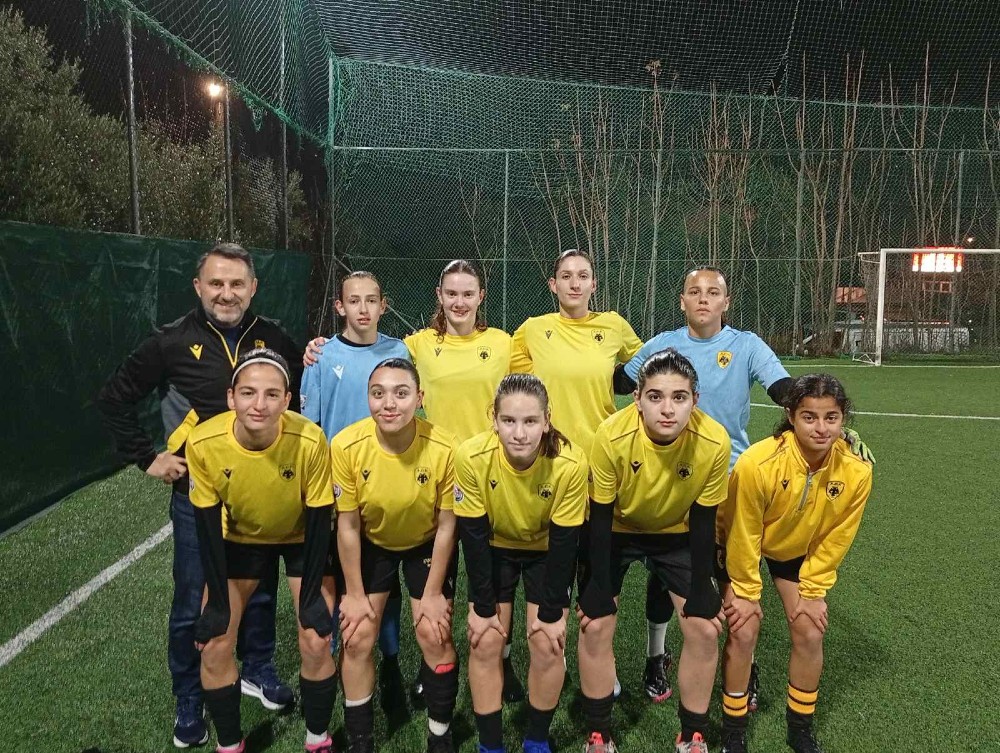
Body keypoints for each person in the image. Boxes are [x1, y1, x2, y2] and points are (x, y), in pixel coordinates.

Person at [618, 266, 874, 709]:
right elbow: (620, 383)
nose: (703, 298)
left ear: (726, 302)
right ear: (682, 301)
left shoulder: (746, 345)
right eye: (694, 291)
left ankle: (745, 662)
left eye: (712, 292)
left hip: (731, 478)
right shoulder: (661, 344)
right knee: (666, 572)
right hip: (671, 477)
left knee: (735, 575)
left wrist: (831, 425)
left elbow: (786, 391)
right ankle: (656, 655)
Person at [97, 242, 301, 748]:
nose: (226, 294)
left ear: (253, 288)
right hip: (197, 495)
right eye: (216, 283)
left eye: (237, 284)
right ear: (198, 286)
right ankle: (189, 696)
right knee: (193, 598)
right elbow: (115, 398)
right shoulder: (169, 342)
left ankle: (256, 667)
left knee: (259, 588)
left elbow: (298, 393)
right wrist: (148, 457)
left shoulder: (274, 337)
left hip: (260, 490)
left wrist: (316, 351)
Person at [305, 259, 521, 702]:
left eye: (468, 293)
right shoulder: (414, 346)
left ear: (481, 297)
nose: (459, 301)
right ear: (439, 297)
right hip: (431, 479)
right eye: (451, 293)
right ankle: (424, 661)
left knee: (496, 577)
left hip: (489, 477)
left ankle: (502, 659)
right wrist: (318, 347)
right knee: (434, 579)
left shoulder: (505, 343)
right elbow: (371, 356)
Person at [576, 349, 730, 753]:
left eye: (679, 397)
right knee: (595, 624)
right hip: (616, 529)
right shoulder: (611, 435)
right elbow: (600, 516)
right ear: (637, 399)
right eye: (655, 396)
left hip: (676, 532)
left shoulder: (714, 441)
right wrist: (598, 584)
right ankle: (599, 734)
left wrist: (702, 586)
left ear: (695, 400)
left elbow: (703, 520)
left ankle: (692, 734)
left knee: (704, 628)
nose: (667, 409)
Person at [187, 349, 337, 753]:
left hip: (302, 538)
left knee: (316, 638)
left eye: (272, 394)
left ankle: (318, 738)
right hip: (242, 539)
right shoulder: (203, 443)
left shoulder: (309, 439)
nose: (259, 404)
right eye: (248, 393)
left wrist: (311, 598)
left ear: (287, 400)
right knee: (215, 643)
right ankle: (230, 745)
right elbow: (207, 528)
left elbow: (319, 520)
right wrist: (217, 605)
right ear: (230, 397)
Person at [716, 374, 873, 753]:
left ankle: (799, 727)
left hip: (793, 547)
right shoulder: (757, 463)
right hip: (736, 541)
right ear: (790, 416)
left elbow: (836, 537)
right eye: (809, 417)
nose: (821, 428)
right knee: (744, 628)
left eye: (831, 418)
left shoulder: (858, 471)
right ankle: (734, 730)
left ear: (843, 418)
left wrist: (814, 591)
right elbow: (743, 531)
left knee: (810, 630)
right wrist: (747, 593)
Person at [332, 358, 460, 753]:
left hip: (426, 542)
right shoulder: (346, 446)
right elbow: (347, 526)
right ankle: (361, 740)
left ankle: (440, 734)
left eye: (401, 393)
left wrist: (434, 592)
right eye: (379, 393)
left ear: (419, 398)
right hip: (373, 542)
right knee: (356, 637)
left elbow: (447, 526)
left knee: (434, 632)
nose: (389, 403)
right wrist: (354, 594)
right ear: (368, 398)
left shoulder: (446, 448)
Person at [454, 374, 588, 753]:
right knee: (485, 642)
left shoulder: (570, 463)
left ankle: (536, 741)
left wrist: (552, 612)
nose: (519, 433)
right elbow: (473, 537)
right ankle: (490, 745)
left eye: (530, 421)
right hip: (494, 548)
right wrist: (482, 609)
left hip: (546, 551)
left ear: (546, 421)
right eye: (509, 420)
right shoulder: (471, 457)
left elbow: (565, 543)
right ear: (493, 420)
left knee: (547, 644)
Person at [299, 271, 411, 696]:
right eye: (354, 300)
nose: (363, 309)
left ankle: (390, 658)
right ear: (339, 306)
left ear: (383, 306)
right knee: (338, 578)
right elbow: (311, 431)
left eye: (371, 300)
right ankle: (332, 652)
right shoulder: (322, 356)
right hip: (338, 491)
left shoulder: (398, 351)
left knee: (385, 578)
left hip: (386, 488)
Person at [511, 249, 642, 457]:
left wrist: (624, 376)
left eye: (583, 276)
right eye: (566, 276)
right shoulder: (533, 328)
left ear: (593, 285)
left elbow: (648, 363)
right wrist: (535, 373)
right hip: (549, 451)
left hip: (601, 450)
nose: (575, 284)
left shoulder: (613, 325)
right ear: (553, 285)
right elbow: (502, 360)